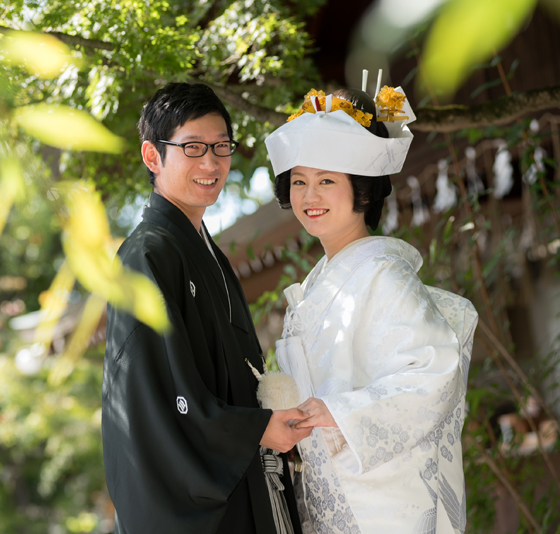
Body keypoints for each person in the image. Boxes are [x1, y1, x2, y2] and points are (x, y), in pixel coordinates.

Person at [263, 82, 478, 534]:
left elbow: (434, 372)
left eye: (326, 181)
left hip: (384, 506)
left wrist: (339, 411)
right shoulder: (320, 283)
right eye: (299, 181)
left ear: (362, 190)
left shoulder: (383, 274)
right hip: (332, 498)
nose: (309, 196)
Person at [102, 83, 310, 534]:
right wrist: (253, 430)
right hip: (204, 506)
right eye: (193, 148)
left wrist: (265, 425)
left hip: (246, 483)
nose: (212, 163)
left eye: (221, 147)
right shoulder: (146, 256)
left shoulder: (208, 253)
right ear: (152, 156)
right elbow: (157, 397)